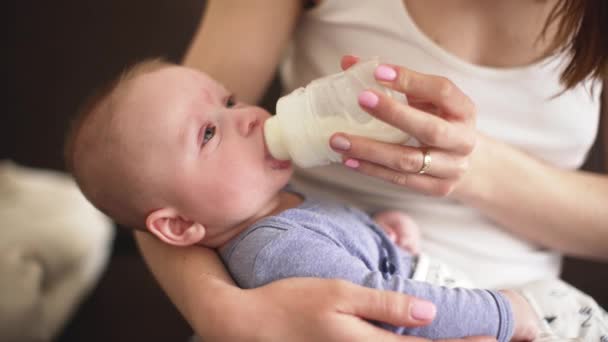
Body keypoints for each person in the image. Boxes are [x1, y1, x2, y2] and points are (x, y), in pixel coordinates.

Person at [130, 0, 608, 341]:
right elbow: (152, 176)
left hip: (502, 295)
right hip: (309, 317)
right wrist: (226, 314)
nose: (253, 113)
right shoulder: (282, 246)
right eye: (214, 129)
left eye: (234, 102)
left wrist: (472, 168)